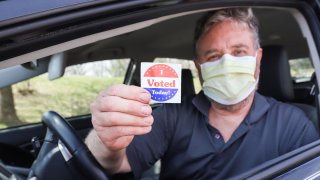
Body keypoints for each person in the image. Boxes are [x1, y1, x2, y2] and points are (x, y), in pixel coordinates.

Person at [85, 8, 319, 179]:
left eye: (239, 52)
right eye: (214, 56)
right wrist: (105, 139)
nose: (227, 64)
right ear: (199, 67)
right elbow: (117, 163)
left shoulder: (293, 123)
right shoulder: (173, 114)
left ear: (257, 59)